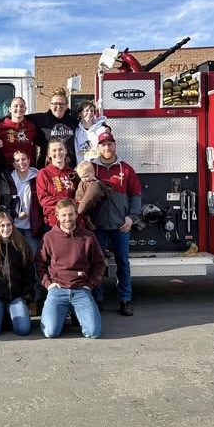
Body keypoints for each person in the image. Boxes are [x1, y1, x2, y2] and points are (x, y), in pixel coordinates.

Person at [90, 132, 143, 316]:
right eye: (103, 145)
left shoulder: (126, 169)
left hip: (121, 227)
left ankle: (125, 300)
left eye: (110, 144)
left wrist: (131, 218)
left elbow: (136, 195)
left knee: (123, 263)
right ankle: (97, 299)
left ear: (115, 146)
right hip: (97, 228)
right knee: (97, 264)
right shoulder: (91, 169)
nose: (107, 148)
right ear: (98, 147)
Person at [35, 199, 105, 339]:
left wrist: (90, 285)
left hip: (81, 290)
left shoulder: (88, 237)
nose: (68, 218)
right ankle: (62, 313)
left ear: (76, 215)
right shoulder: (48, 237)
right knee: (50, 332)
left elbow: (99, 264)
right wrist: (48, 285)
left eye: (71, 214)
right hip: (57, 290)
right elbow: (40, 263)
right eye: (64, 215)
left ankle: (76, 312)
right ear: (57, 216)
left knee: (93, 332)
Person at [35, 137, 80, 231]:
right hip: (53, 224)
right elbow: (44, 200)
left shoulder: (73, 173)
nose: (58, 153)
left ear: (66, 151)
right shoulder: (43, 173)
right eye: (54, 150)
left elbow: (79, 194)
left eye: (60, 149)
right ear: (49, 154)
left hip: (73, 222)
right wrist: (68, 201)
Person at [27, 88, 79, 167]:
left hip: (69, 167)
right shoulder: (40, 119)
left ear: (66, 105)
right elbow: (17, 117)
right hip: (46, 168)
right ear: (50, 105)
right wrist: (1, 121)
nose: (58, 106)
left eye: (62, 104)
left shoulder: (74, 121)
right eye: (55, 103)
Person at [10, 149, 43, 255]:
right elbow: (6, 202)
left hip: (32, 227)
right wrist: (16, 213)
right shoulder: (9, 179)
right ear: (13, 164)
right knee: (16, 258)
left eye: (24, 159)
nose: (21, 163)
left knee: (33, 255)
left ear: (29, 160)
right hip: (14, 227)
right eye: (17, 160)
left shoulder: (38, 177)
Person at [0, 96, 38, 169]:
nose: (19, 109)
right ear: (10, 109)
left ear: (25, 109)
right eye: (15, 106)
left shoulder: (31, 126)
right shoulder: (0, 127)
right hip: (6, 169)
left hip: (26, 169)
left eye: (22, 106)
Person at [74, 160, 112, 231]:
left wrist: (79, 212)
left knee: (88, 217)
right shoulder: (84, 182)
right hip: (80, 204)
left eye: (86, 176)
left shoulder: (94, 184)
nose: (84, 179)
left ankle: (89, 222)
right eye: (81, 177)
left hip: (86, 208)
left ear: (93, 172)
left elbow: (87, 200)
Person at [73, 100, 110, 164]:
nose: (89, 113)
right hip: (82, 168)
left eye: (92, 111)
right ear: (80, 113)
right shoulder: (76, 131)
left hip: (98, 167)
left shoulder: (101, 130)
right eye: (86, 110)